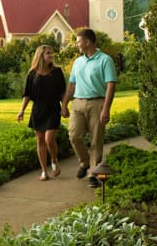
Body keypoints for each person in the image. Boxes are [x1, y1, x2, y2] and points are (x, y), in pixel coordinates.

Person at [60, 28, 117, 188]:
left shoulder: (105, 60)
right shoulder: (78, 62)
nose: (76, 45)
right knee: (74, 136)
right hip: (77, 103)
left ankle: (94, 173)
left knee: (96, 140)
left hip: (97, 103)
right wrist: (64, 104)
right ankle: (85, 163)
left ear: (87, 42)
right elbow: (71, 84)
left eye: (78, 41)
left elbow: (110, 85)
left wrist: (106, 108)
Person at [17, 45, 67, 181]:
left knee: (49, 139)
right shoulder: (32, 74)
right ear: (41, 56)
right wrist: (21, 111)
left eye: (52, 53)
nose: (51, 55)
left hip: (53, 108)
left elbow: (63, 91)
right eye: (48, 53)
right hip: (38, 109)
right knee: (40, 140)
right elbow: (27, 94)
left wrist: (64, 106)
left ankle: (54, 160)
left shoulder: (57, 71)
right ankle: (44, 171)